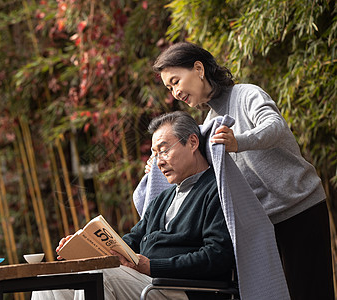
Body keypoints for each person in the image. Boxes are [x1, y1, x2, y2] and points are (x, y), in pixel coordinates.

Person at [149, 41, 333, 300]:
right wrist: (157, 165)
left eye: (176, 81)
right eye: (169, 88)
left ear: (198, 69)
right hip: (261, 226)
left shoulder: (247, 95)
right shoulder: (209, 125)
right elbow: (197, 172)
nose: (175, 93)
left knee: (311, 292)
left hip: (300, 208)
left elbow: (275, 126)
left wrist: (239, 141)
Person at [32, 111, 235, 300]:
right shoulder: (162, 199)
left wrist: (151, 266)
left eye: (164, 151)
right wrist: (89, 247)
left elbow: (218, 256)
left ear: (192, 142)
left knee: (97, 276)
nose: (159, 162)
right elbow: (132, 240)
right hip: (149, 282)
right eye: (155, 155)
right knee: (50, 280)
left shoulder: (216, 190)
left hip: (183, 289)